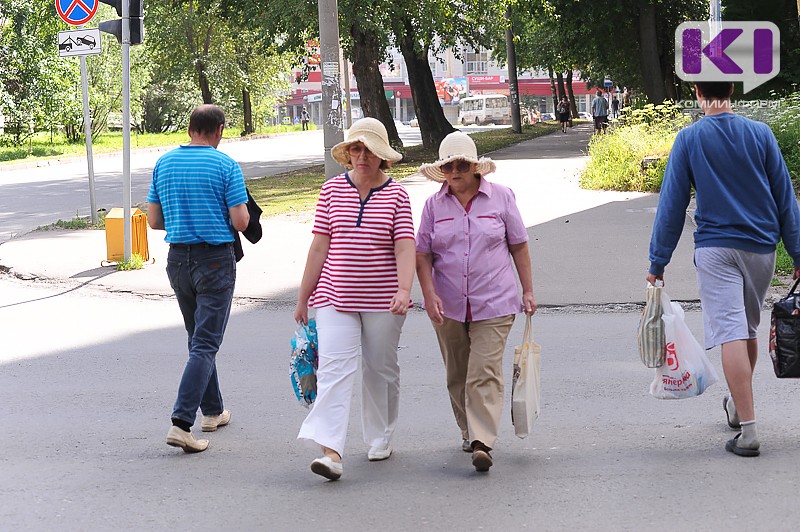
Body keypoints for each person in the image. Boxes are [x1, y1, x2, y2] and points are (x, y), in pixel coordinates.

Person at [647, 81, 800, 458]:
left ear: (698, 91)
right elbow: (785, 197)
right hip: (761, 249)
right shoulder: (760, 134)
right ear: (733, 89)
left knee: (731, 331)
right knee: (745, 330)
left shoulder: (689, 139)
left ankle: (748, 431)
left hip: (716, 248)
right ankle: (737, 406)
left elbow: (671, 204)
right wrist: (797, 252)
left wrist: (658, 261)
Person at [294, 117, 416, 481]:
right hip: (334, 297)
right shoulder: (331, 190)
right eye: (356, 149)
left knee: (380, 369)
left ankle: (380, 436)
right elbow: (319, 246)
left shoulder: (397, 195)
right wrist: (303, 297)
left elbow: (405, 246)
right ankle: (331, 452)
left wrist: (404, 290)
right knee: (334, 370)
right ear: (348, 154)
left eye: (370, 150)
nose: (362, 156)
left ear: (383, 157)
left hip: (384, 301)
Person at [416, 131, 537, 472]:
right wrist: (428, 293)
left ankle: (483, 441)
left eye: (462, 164)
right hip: (448, 303)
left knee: (483, 370)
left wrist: (528, 290)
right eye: (449, 165)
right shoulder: (433, 206)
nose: (455, 171)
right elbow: (422, 254)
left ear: (475, 167)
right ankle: (468, 431)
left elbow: (519, 245)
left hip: (495, 301)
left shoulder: (501, 198)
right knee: (457, 373)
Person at [147, 104, 250, 453]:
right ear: (219, 129)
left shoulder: (164, 163)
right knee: (206, 343)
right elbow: (240, 222)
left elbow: (154, 221)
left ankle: (213, 411)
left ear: (191, 128)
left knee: (198, 340)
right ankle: (181, 422)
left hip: (177, 260)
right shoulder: (225, 165)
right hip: (214, 261)